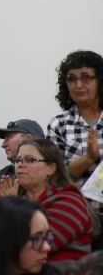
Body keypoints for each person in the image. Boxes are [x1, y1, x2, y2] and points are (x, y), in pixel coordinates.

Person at [0, 138, 95, 262]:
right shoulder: (19, 199)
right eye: (18, 160)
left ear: (51, 168)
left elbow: (34, 249)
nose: (20, 164)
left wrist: (8, 211)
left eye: (29, 160)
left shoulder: (70, 202)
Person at [47, 50, 103, 206]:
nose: (79, 85)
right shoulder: (59, 125)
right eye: (71, 79)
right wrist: (89, 158)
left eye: (86, 77)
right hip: (77, 212)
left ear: (100, 81)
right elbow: (53, 175)